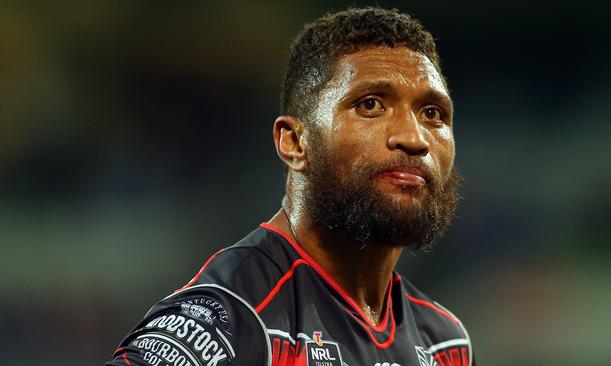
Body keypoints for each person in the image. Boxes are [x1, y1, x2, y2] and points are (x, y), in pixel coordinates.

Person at [106, 6, 473, 366]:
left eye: (432, 114)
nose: (414, 138)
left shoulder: (445, 343)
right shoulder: (236, 317)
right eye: (371, 104)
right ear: (294, 143)